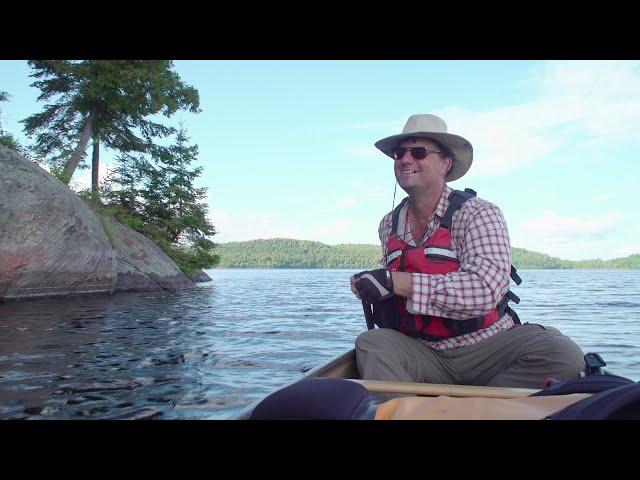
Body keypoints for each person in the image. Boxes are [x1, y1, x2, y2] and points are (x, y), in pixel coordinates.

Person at [350, 114, 585, 389]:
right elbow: (391, 291)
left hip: (489, 345)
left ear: (445, 163)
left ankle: (479, 404)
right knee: (372, 344)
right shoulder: (388, 224)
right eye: (399, 153)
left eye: (418, 152)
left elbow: (485, 288)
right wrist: (372, 286)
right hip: (423, 352)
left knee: (563, 354)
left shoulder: (480, 213)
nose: (405, 159)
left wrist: (397, 282)